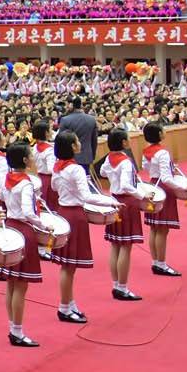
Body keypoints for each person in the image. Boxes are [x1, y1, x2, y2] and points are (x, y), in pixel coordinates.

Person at [49, 130, 119, 324]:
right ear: (72, 146)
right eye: (77, 141)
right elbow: (87, 196)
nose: (80, 143)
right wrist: (109, 202)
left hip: (64, 212)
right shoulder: (75, 169)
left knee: (68, 265)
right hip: (74, 215)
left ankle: (69, 303)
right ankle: (64, 307)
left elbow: (55, 189)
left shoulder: (58, 167)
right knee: (68, 266)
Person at [0, 142, 52, 347]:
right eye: (30, 155)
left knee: (12, 283)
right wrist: (44, 224)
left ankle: (13, 326)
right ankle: (17, 331)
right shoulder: (27, 183)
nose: (33, 158)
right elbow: (29, 213)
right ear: (24, 160)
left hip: (10, 227)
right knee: (20, 285)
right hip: (23, 229)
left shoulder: (7, 180)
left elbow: (3, 198)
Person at [100, 129, 152, 301]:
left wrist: (113, 177)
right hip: (126, 203)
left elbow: (102, 172)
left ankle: (116, 284)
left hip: (114, 200)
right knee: (125, 246)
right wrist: (143, 196)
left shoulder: (109, 158)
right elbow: (128, 186)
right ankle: (122, 287)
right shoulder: (126, 162)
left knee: (115, 244)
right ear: (123, 142)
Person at [141, 122, 183, 276]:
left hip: (152, 186)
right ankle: (161, 264)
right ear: (159, 134)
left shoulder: (146, 151)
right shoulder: (163, 153)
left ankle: (155, 261)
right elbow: (166, 177)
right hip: (163, 189)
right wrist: (182, 187)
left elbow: (147, 168)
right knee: (162, 229)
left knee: (154, 227)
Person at [57, 99, 100, 169]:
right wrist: (92, 155)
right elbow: (94, 140)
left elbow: (61, 140)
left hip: (69, 158)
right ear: (81, 106)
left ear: (72, 106)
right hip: (86, 156)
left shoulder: (65, 120)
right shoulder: (91, 119)